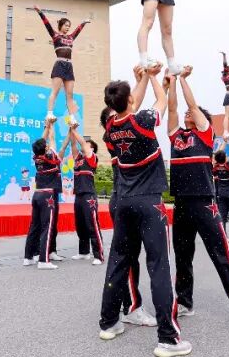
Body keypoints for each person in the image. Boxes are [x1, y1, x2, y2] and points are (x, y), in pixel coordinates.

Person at [97, 64, 190, 357]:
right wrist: (151, 77)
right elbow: (160, 101)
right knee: (159, 265)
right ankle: (168, 339)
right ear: (129, 100)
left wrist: (141, 81)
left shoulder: (110, 129)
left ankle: (108, 323)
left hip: (123, 202)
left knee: (118, 261)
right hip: (149, 202)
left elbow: (129, 105)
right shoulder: (142, 122)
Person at [166, 66, 229, 337]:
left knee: (223, 257)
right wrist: (171, 82)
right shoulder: (176, 137)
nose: (186, 113)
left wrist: (182, 79)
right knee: (182, 257)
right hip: (181, 204)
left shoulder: (204, 135)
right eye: (186, 114)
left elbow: (192, 105)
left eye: (191, 114)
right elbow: (173, 108)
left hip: (204, 203)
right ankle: (185, 301)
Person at [100, 107, 150, 329]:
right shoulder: (112, 137)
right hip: (122, 200)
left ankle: (125, 305)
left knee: (129, 256)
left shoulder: (122, 135)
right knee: (127, 257)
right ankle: (131, 307)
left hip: (126, 199)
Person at [32, 6, 89, 126]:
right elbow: (47, 24)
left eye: (69, 26)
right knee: (55, 91)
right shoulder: (55, 36)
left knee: (70, 94)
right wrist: (40, 12)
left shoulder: (71, 37)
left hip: (69, 66)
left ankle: (72, 117)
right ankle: (49, 113)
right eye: (66, 25)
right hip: (59, 64)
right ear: (61, 26)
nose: (68, 28)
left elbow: (78, 30)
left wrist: (83, 22)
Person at [22, 117, 66, 270]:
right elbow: (51, 140)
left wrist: (47, 126)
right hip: (48, 196)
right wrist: (51, 127)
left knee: (34, 226)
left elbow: (42, 141)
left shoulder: (37, 157)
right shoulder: (51, 157)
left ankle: (28, 257)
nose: (48, 145)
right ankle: (43, 260)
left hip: (37, 195)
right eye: (46, 145)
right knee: (47, 227)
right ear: (46, 148)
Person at [69, 127, 103, 265]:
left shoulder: (91, 158)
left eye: (88, 144)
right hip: (78, 195)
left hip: (89, 196)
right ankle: (84, 252)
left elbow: (82, 143)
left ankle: (98, 255)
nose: (84, 144)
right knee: (80, 225)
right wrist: (71, 130)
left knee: (92, 225)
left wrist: (75, 130)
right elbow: (73, 144)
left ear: (92, 149)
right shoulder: (79, 159)